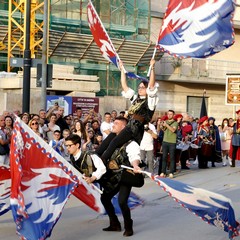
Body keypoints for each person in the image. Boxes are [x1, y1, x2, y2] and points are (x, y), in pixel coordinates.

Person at [96, 59, 158, 164]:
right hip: (130, 124)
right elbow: (124, 86)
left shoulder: (150, 101)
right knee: (112, 136)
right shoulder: (136, 99)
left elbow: (151, 86)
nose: (140, 89)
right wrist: (122, 70)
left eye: (143, 87)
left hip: (136, 128)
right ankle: (96, 154)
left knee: (115, 141)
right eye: (139, 87)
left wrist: (152, 67)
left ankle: (102, 160)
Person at [100, 116, 144, 237]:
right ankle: (114, 223)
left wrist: (135, 165)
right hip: (113, 176)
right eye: (113, 123)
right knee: (105, 198)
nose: (112, 125)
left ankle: (128, 226)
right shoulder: (112, 140)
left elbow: (134, 156)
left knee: (122, 201)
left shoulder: (131, 143)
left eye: (116, 123)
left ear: (123, 127)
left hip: (125, 176)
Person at [160, 110, 178, 178]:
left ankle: (171, 172)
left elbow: (173, 130)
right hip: (165, 141)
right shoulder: (165, 121)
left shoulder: (175, 123)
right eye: (168, 114)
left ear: (173, 115)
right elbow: (163, 130)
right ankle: (163, 172)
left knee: (172, 158)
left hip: (172, 142)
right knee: (164, 157)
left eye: (171, 114)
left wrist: (166, 125)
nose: (169, 115)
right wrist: (161, 125)